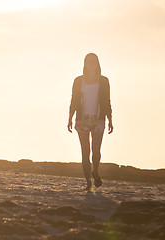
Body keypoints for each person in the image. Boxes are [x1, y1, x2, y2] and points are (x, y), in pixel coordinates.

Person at [68, 53, 114, 191]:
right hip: (82, 119)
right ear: (85, 64)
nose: (91, 64)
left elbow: (107, 101)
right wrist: (70, 117)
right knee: (85, 152)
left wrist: (110, 119)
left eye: (93, 62)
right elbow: (74, 100)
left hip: (98, 119)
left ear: (97, 63)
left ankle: (96, 172)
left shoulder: (104, 81)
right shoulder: (78, 81)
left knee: (96, 152)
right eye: (88, 62)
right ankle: (88, 182)